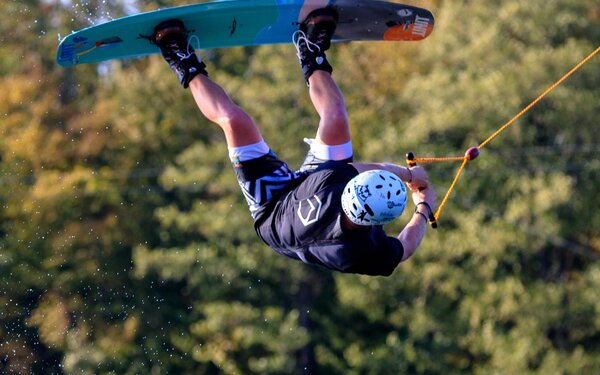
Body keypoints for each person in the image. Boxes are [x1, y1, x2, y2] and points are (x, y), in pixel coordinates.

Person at [151, 8, 437, 276]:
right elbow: (406, 244)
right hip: (311, 190)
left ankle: (179, 57)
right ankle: (311, 49)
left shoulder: (362, 249)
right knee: (335, 115)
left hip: (273, 209)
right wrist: (423, 206)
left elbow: (366, 179)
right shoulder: (350, 197)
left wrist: (412, 178)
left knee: (235, 122)